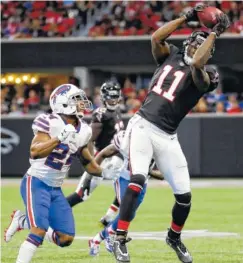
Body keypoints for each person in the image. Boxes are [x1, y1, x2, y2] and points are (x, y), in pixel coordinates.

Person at [112, 5, 229, 263]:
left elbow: (197, 62)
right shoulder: (171, 55)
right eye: (196, 41)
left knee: (184, 196)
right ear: (188, 41)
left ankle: (173, 237)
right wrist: (185, 18)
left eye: (205, 45)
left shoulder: (206, 73)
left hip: (167, 136)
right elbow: (156, 38)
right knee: (137, 179)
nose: (199, 47)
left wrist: (215, 34)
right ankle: (119, 238)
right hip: (143, 125)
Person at [4, 84, 103, 263]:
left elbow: (87, 161)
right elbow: (34, 151)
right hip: (36, 182)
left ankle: (22, 221)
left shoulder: (85, 130)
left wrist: (108, 170)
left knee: (65, 238)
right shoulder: (50, 121)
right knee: (39, 231)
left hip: (56, 189)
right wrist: (59, 138)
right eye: (76, 99)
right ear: (63, 103)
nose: (81, 103)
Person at [87, 131, 163, 256]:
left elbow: (162, 175)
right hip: (124, 180)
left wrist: (147, 171)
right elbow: (103, 153)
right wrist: (94, 173)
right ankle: (105, 237)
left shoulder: (158, 146)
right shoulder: (126, 140)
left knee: (130, 215)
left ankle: (98, 238)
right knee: (126, 212)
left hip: (142, 183)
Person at [66, 81, 125, 227]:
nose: (112, 99)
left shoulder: (116, 112)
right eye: (110, 96)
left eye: (115, 96)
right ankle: (55, 211)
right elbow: (89, 140)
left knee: (127, 187)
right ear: (104, 97)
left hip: (116, 157)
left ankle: (109, 217)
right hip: (102, 158)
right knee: (82, 195)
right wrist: (92, 163)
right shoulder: (101, 114)